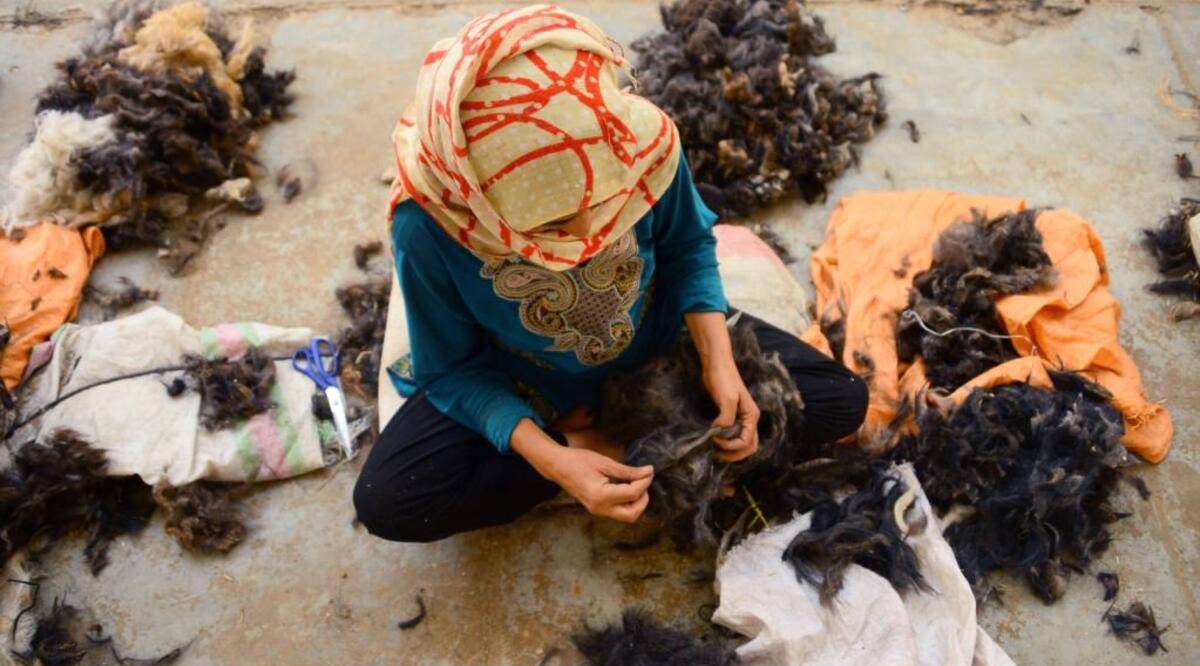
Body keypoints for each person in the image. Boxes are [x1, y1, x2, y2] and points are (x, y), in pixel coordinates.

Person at [353, 6, 867, 543]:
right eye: (549, 221)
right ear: (476, 200)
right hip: (524, 380)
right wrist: (555, 458)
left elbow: (688, 246)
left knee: (840, 401)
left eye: (601, 200)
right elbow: (453, 371)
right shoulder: (431, 223)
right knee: (390, 501)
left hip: (660, 342)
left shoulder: (638, 148)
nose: (585, 230)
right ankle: (591, 446)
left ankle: (618, 441)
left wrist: (719, 364)